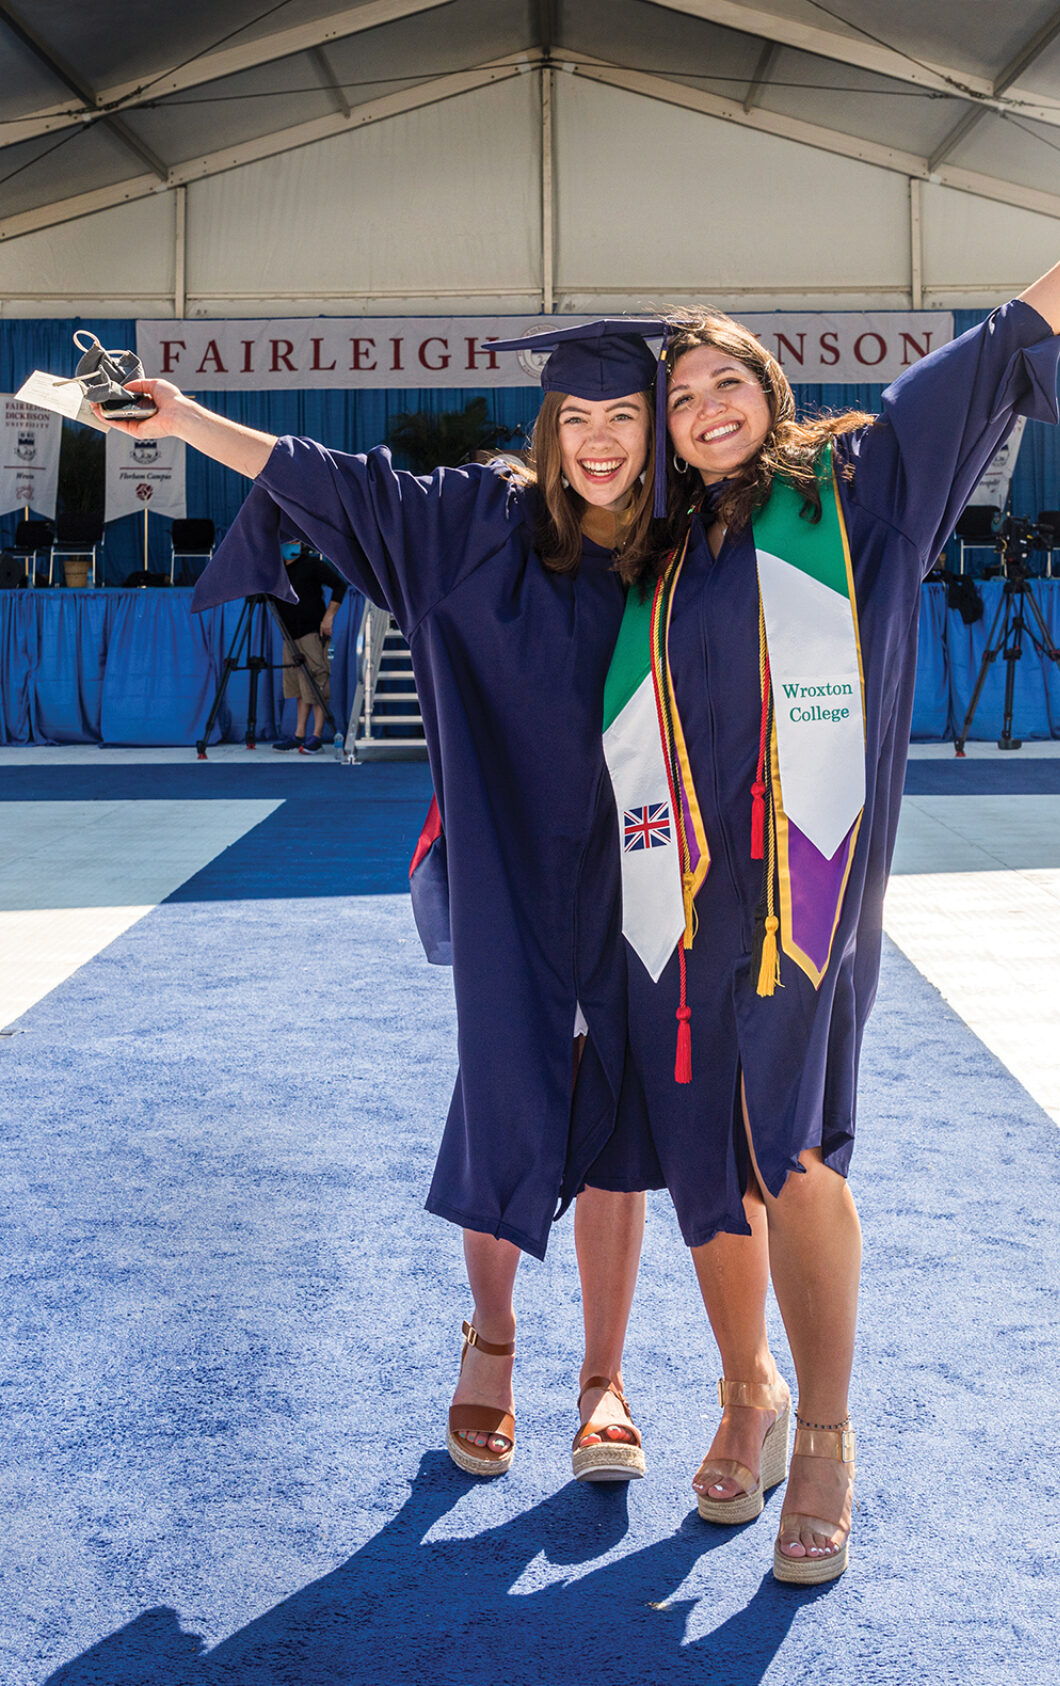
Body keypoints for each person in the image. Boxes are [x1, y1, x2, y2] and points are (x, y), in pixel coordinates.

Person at [599, 167, 1060, 1581]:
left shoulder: (859, 486)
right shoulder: (660, 554)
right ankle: (747, 1391)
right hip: (680, 891)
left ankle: (831, 1429)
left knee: (794, 1143)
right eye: (679, 401)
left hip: (809, 879)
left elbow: (995, 350)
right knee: (706, 1154)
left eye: (721, 382)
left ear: (769, 387)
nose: (702, 410)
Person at [95, 321, 673, 1483]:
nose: (598, 443)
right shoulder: (477, 525)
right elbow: (335, 482)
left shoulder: (686, 548)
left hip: (648, 866)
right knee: (509, 1088)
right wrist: (189, 421)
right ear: (547, 430)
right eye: (576, 419)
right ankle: (492, 1340)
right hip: (507, 852)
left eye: (621, 418)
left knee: (625, 1117)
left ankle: (604, 1377)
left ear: (655, 431)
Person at [271, 540, 346, 753]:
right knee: (298, 686)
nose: (291, 545)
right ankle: (299, 734)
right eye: (287, 541)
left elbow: (340, 585)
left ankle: (317, 735)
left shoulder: (312, 564)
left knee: (317, 682)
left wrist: (329, 617)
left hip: (312, 632)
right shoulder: (278, 570)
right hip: (290, 636)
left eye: (295, 541)